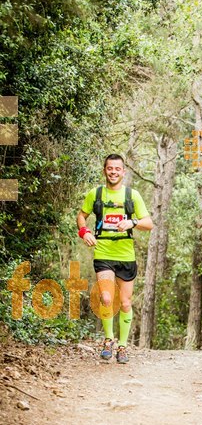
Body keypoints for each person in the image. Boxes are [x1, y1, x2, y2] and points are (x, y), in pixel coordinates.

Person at [77, 154, 153, 363]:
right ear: (105, 170)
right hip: (103, 253)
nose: (113, 172)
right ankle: (108, 339)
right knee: (107, 298)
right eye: (110, 168)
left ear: (123, 172)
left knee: (126, 302)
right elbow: (81, 215)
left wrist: (132, 222)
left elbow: (149, 223)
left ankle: (123, 346)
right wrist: (85, 232)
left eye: (117, 169)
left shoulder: (132, 195)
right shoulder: (96, 194)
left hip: (126, 255)